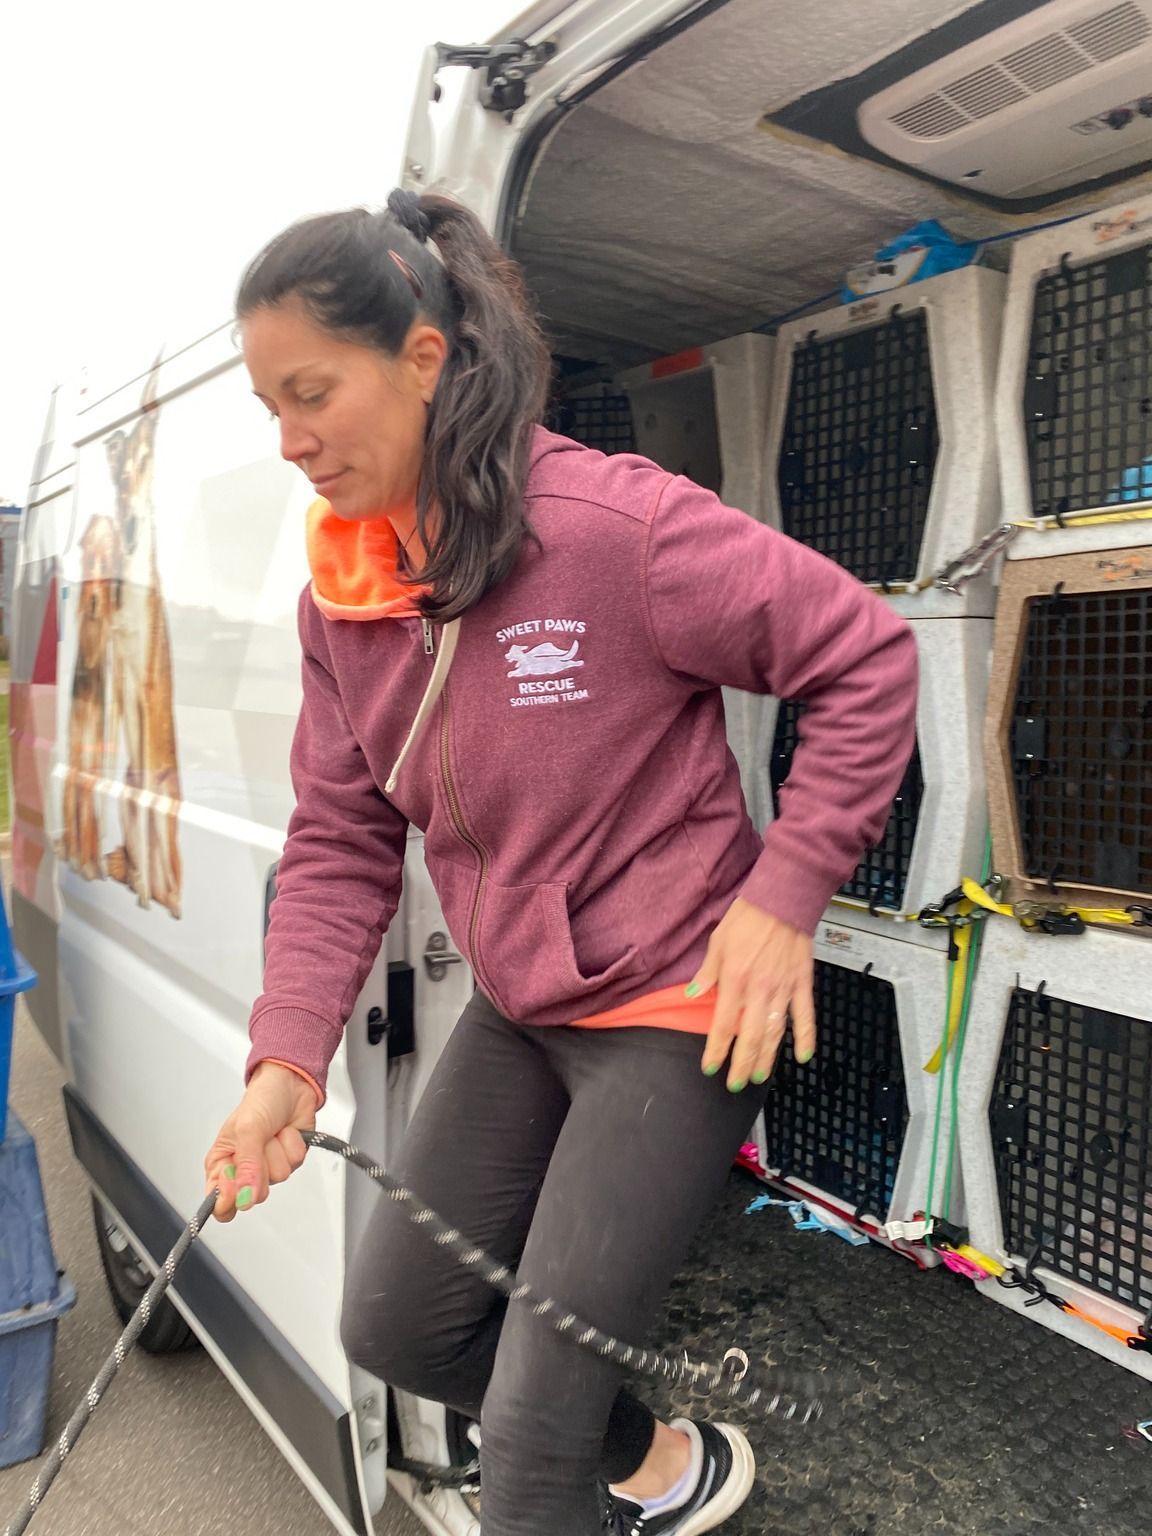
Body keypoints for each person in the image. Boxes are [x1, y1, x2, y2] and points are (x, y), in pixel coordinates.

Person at [204, 188, 918, 1536]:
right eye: (267, 409)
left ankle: (606, 1470)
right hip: (529, 1000)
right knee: (399, 1325)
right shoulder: (343, 600)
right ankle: (664, 1462)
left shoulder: (611, 531)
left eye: (313, 394)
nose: (290, 442)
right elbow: (344, 840)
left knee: (531, 1446)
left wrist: (784, 896)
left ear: (422, 358)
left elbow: (865, 657)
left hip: (682, 1000)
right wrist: (285, 1060)